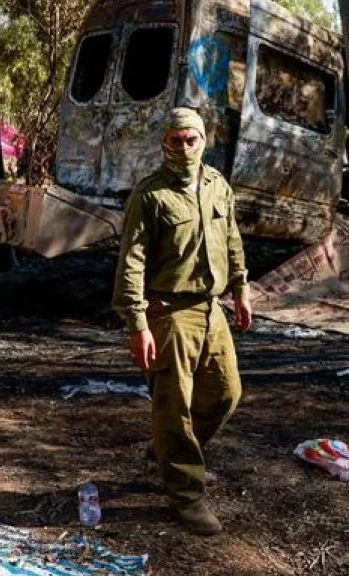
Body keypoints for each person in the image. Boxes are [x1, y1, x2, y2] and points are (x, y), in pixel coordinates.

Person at [112, 106, 252, 536]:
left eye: (191, 139)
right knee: (173, 406)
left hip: (211, 310)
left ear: (203, 140)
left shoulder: (217, 186)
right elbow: (131, 262)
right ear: (164, 143)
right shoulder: (150, 195)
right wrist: (137, 323)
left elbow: (231, 239)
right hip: (168, 313)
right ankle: (186, 496)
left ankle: (167, 450)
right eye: (176, 140)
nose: (184, 147)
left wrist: (241, 288)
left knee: (226, 393)